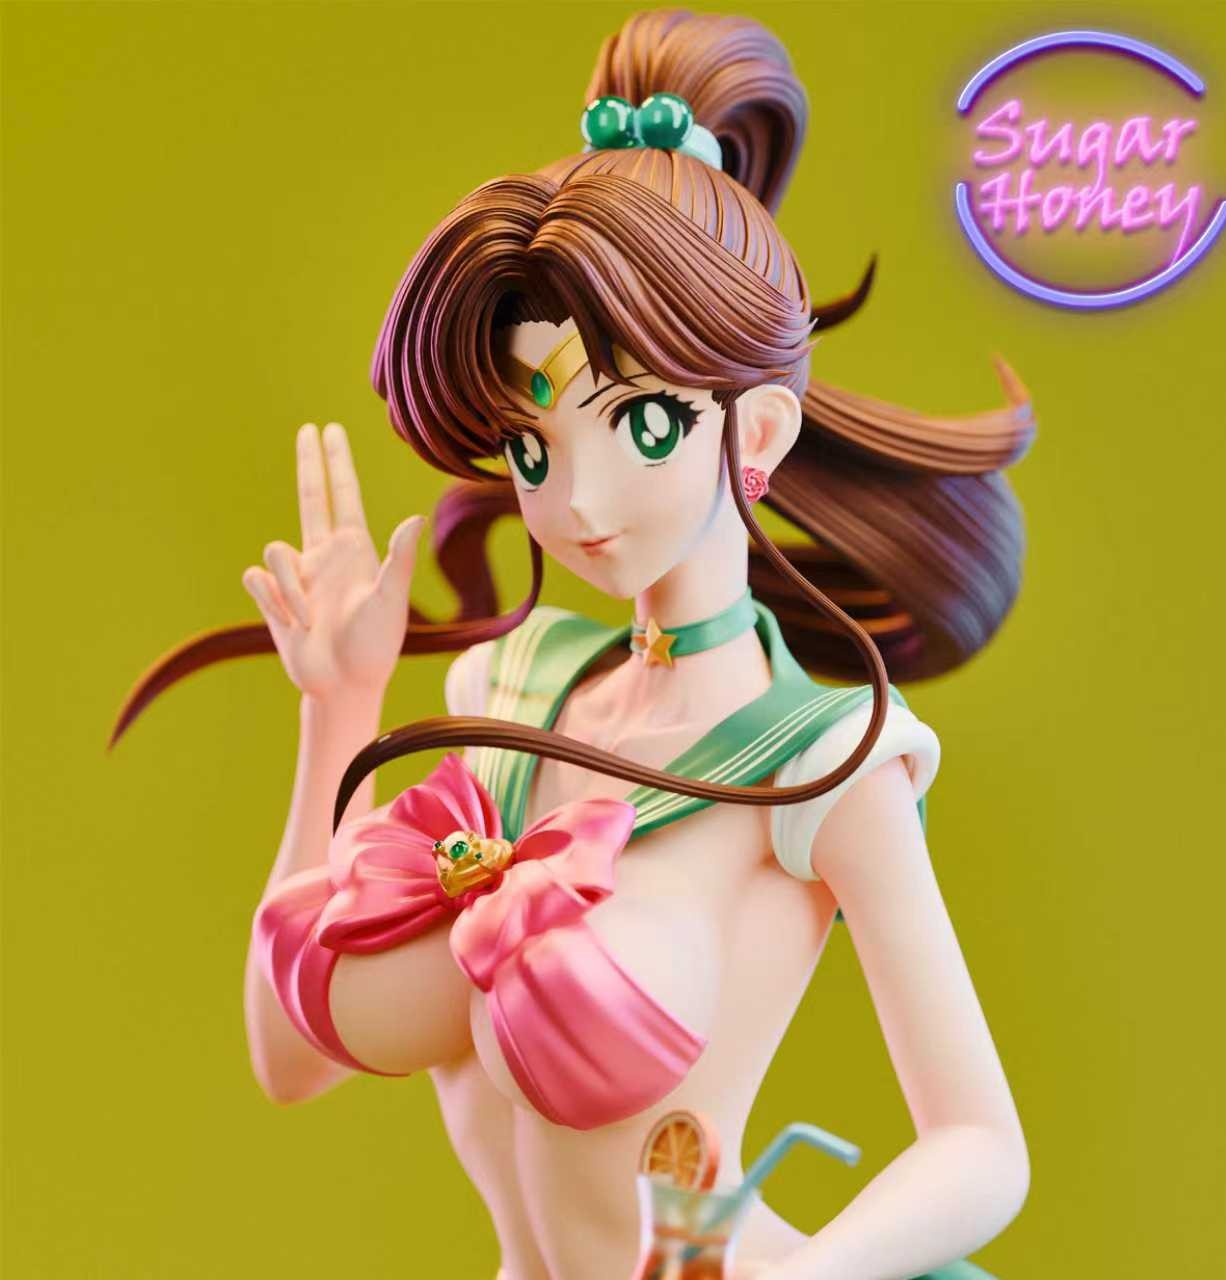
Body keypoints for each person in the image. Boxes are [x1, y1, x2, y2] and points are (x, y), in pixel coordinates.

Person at [112, 11, 1035, 1278]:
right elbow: (290, 1058)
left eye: (642, 424)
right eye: (532, 444)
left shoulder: (822, 767)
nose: (577, 501)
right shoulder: (512, 689)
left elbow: (981, 1147)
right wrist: (341, 702)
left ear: (757, 433)